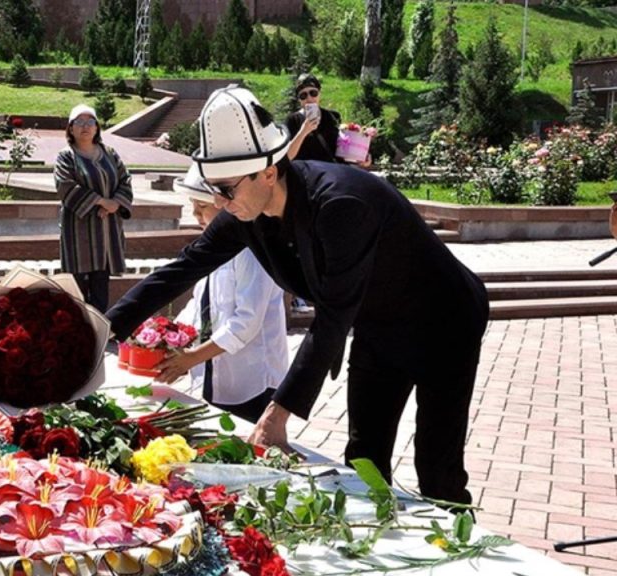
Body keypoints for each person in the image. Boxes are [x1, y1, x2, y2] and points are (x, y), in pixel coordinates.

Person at [106, 86, 489, 506]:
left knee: (437, 470)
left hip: (443, 322)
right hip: (377, 322)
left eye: (227, 189)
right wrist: (102, 329)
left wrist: (277, 411)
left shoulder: (340, 204)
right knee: (364, 456)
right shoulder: (244, 210)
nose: (219, 202)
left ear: (268, 172)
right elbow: (183, 267)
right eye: (213, 189)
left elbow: (332, 316)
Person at [153, 168, 289, 423]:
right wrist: (171, 336)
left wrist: (192, 357)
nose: (195, 215)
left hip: (252, 380)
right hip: (216, 372)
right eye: (193, 205)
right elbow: (199, 302)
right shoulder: (213, 248)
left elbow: (246, 322)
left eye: (202, 206)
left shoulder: (252, 252)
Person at [55, 104, 133, 313]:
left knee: (101, 282)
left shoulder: (109, 153)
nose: (85, 127)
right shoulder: (66, 156)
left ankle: (98, 329)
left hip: (106, 229)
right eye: (79, 122)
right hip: (78, 230)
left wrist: (115, 203)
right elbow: (65, 186)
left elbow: (125, 180)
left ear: (97, 127)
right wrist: (100, 201)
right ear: (71, 128)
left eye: (90, 122)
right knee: (77, 285)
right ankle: (78, 330)